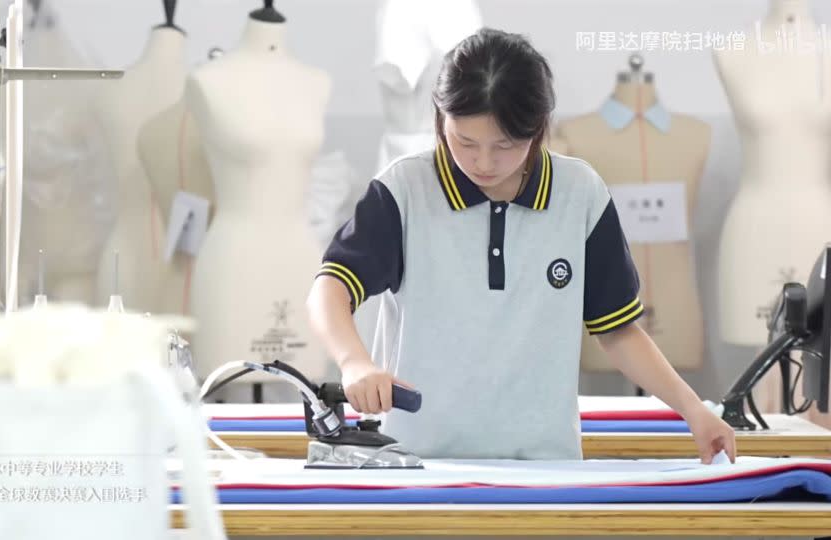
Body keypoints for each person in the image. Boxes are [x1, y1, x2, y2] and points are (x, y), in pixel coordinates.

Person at [306, 28, 736, 463]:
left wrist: (694, 410)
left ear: (539, 128)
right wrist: (354, 361)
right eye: (466, 142)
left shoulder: (580, 193)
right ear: (441, 119)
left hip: (546, 466)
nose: (484, 163)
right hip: (419, 463)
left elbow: (618, 329)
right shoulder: (404, 190)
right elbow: (331, 286)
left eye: (506, 145)